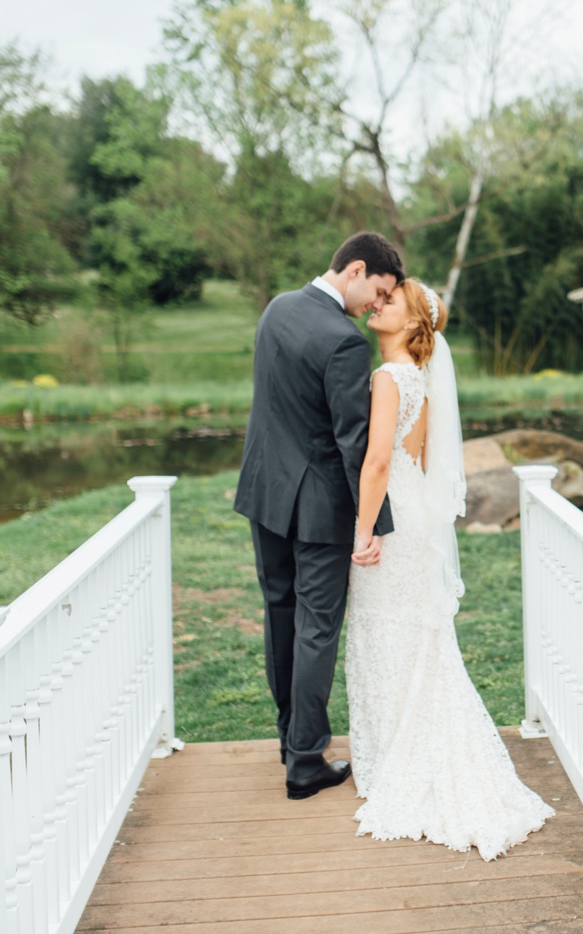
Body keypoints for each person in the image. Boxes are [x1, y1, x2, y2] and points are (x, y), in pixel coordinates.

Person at [345, 279, 554, 859]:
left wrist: (362, 531)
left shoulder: (389, 379)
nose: (380, 302)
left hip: (392, 520)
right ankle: (406, 748)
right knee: (411, 634)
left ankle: (397, 757)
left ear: (415, 324)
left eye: (393, 300)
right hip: (415, 519)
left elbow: (380, 460)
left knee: (386, 632)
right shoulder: (420, 382)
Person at [233, 232, 402, 800]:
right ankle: (305, 760)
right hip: (319, 507)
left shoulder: (277, 308)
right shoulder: (344, 341)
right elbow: (356, 444)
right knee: (317, 626)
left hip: (264, 491)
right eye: (377, 292)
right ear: (355, 270)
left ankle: (290, 738)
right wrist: (372, 526)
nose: (376, 306)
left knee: (280, 613)